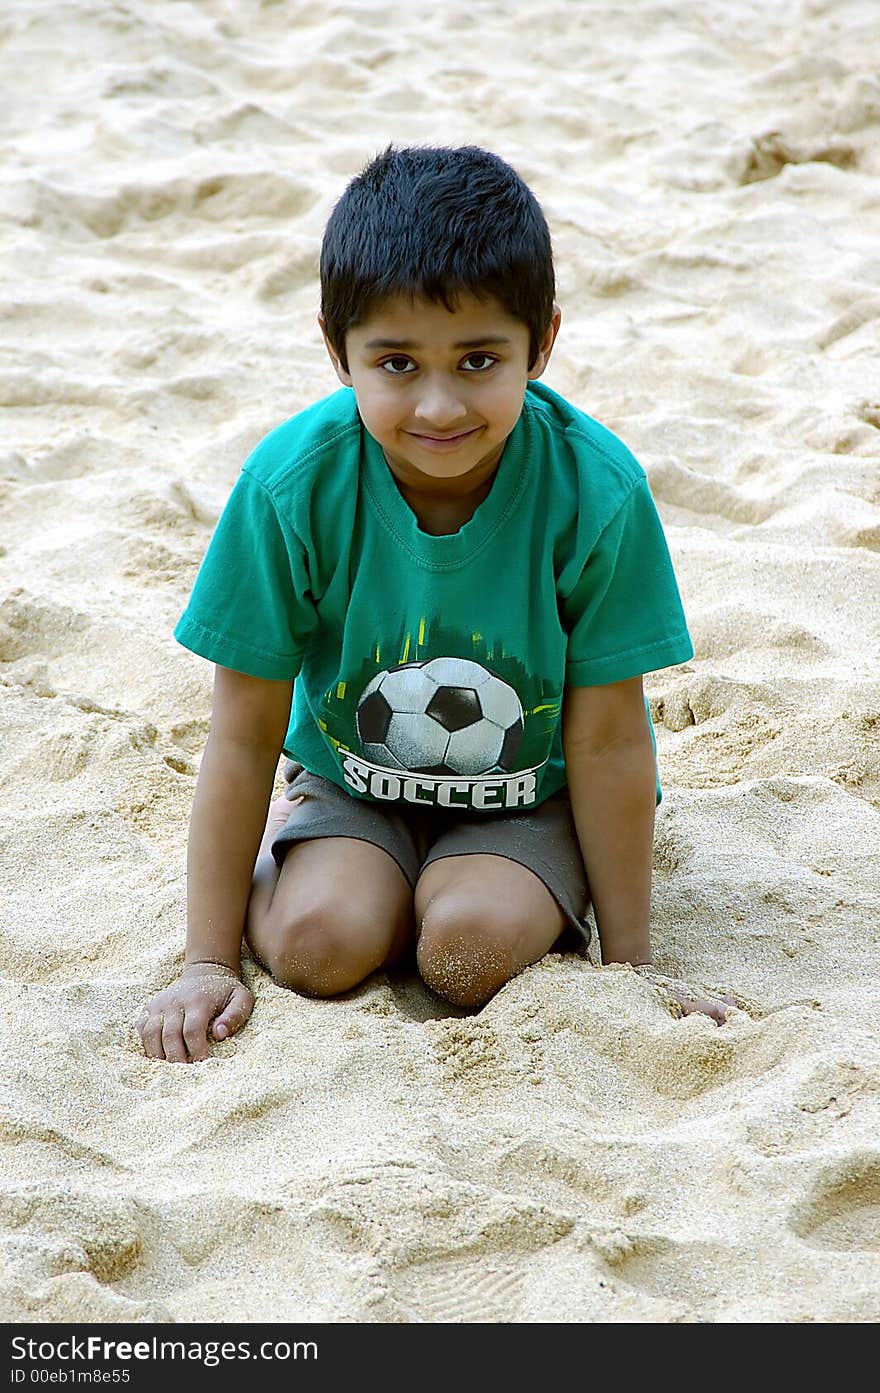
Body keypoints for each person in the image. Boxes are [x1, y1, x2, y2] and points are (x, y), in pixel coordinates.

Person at [138, 144, 735, 1064]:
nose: (442, 403)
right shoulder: (292, 486)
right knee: (317, 948)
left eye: (480, 358)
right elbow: (244, 728)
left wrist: (635, 967)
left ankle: (505, 886)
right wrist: (207, 960)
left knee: (466, 953)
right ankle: (296, 860)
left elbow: (612, 734)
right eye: (398, 363)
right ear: (337, 352)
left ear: (543, 343)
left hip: (532, 795)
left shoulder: (596, 491)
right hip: (352, 780)